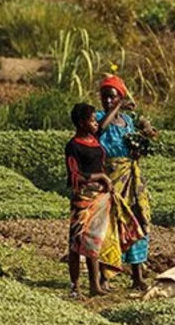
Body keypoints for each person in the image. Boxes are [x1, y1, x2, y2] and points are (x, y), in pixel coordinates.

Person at [96, 74, 155, 291]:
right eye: (105, 97)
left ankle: (137, 275)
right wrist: (117, 107)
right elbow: (100, 130)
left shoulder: (128, 121)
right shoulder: (100, 117)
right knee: (110, 225)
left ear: (120, 96)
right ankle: (105, 277)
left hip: (130, 176)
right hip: (111, 177)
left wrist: (138, 150)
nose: (108, 101)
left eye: (113, 97)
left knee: (136, 221)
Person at [65, 103, 116, 297]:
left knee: (94, 240)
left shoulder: (94, 139)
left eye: (96, 120)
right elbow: (74, 176)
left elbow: (104, 125)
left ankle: (95, 285)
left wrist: (118, 104)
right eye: (92, 120)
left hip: (100, 198)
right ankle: (75, 285)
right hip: (83, 198)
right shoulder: (73, 145)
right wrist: (101, 177)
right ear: (81, 122)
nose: (96, 123)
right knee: (77, 242)